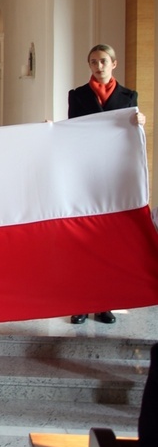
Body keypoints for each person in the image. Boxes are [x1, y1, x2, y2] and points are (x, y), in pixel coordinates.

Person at [68, 44, 146, 325]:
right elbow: (72, 131)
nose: (97, 66)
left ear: (114, 63)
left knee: (108, 241)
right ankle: (80, 303)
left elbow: (130, 135)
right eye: (92, 62)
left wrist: (140, 122)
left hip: (113, 177)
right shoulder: (77, 96)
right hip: (87, 174)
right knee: (82, 239)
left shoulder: (129, 96)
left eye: (102, 61)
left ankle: (104, 304)